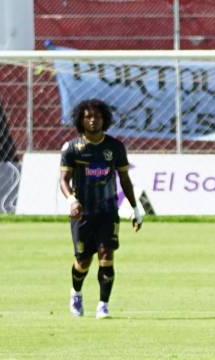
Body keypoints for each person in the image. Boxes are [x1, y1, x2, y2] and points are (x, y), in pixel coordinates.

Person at [60, 98, 143, 319]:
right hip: (82, 213)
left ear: (104, 119)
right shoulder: (72, 148)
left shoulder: (115, 147)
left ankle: (103, 305)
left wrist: (136, 208)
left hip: (108, 211)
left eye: (97, 116)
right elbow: (63, 180)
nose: (93, 120)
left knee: (106, 255)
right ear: (81, 120)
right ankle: (76, 292)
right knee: (83, 261)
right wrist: (71, 200)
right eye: (88, 117)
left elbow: (124, 178)